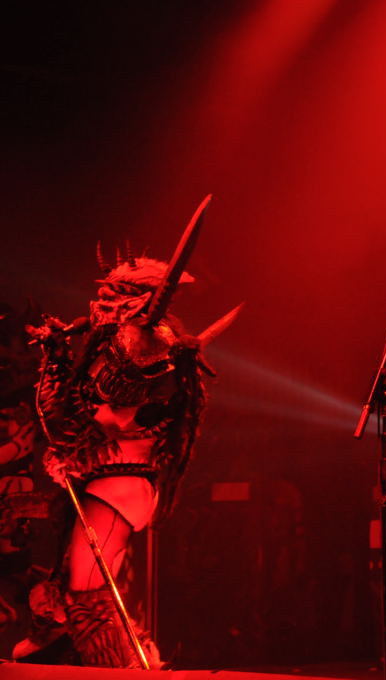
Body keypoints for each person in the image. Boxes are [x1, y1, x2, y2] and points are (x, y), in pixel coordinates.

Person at [20, 198, 234, 667]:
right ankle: (138, 660)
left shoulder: (142, 344)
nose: (99, 303)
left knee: (87, 593)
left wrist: (74, 451)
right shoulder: (123, 341)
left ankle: (124, 669)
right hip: (109, 480)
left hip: (118, 480)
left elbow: (114, 420)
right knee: (88, 585)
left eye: (113, 294)